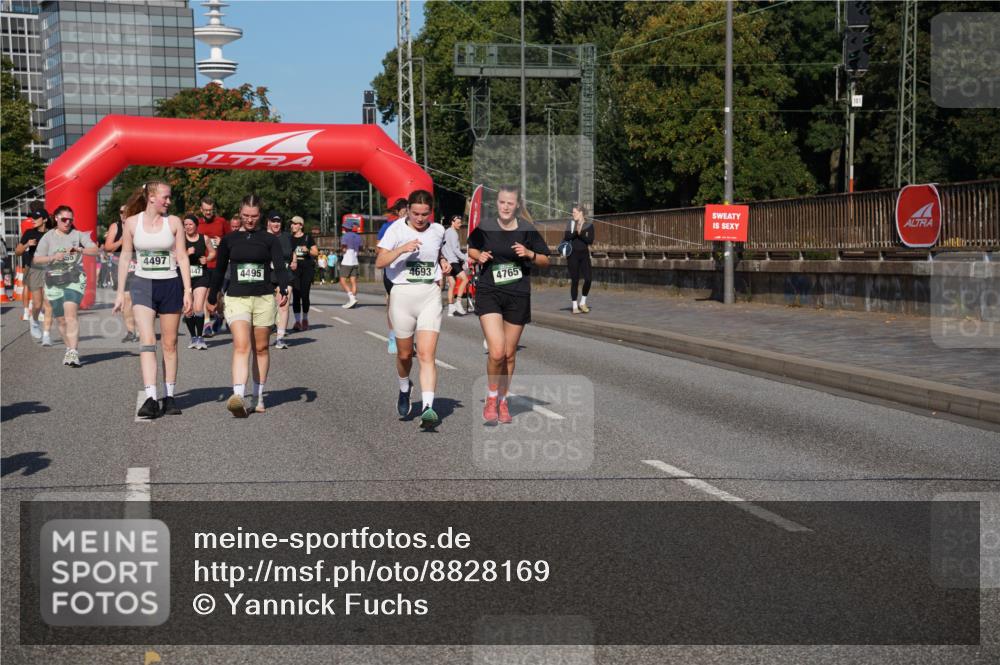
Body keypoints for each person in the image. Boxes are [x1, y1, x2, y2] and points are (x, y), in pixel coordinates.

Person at [468, 184, 550, 424]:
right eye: (502, 202)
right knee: (496, 351)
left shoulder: (527, 230)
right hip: (489, 291)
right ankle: (492, 397)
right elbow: (471, 248)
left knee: (509, 354)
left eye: (510, 203)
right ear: (497, 204)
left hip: (517, 294)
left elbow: (546, 260)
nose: (505, 207)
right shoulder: (486, 226)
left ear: (517, 206)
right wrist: (478, 256)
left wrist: (530, 254)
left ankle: (503, 400)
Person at [114, 181, 193, 419]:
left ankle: (169, 396)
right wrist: (119, 292)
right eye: (165, 197)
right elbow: (125, 257)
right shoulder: (131, 223)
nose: (169, 202)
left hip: (170, 284)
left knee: (169, 343)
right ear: (151, 197)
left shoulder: (174, 222)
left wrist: (188, 290)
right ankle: (150, 398)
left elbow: (181, 256)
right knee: (147, 341)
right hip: (142, 284)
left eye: (170, 198)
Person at [375, 189, 453, 430]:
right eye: (416, 213)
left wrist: (443, 262)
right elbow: (379, 261)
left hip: (429, 294)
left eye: (425, 214)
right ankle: (404, 387)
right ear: (407, 209)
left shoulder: (438, 230)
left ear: (431, 212)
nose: (420, 219)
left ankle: (428, 408)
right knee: (405, 355)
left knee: (428, 355)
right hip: (402, 295)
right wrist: (402, 249)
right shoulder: (395, 230)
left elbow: (436, 252)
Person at [208, 194, 290, 417]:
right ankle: (238, 396)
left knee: (261, 348)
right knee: (241, 345)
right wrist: (213, 295)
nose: (250, 220)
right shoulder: (230, 240)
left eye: (254, 216)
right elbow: (219, 269)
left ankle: (258, 394)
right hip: (237, 298)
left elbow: (280, 267)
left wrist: (284, 288)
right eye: (245, 216)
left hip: (263, 298)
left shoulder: (269, 240)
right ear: (240, 213)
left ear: (259, 216)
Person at [32, 205, 101, 367]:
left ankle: (73, 352)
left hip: (74, 279)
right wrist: (52, 257)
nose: (68, 222)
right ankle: (69, 349)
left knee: (70, 313)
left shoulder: (78, 235)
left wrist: (80, 249)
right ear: (56, 218)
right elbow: (36, 259)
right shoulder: (48, 237)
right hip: (53, 281)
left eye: (71, 219)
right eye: (64, 219)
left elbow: (95, 250)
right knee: (61, 320)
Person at [15, 208, 53, 343]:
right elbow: (17, 252)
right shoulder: (29, 233)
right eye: (32, 218)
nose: (33, 220)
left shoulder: (52, 233)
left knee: (49, 303)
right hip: (35, 269)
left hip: (49, 269)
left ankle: (47, 335)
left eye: (36, 218)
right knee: (37, 304)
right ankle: (34, 320)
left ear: (44, 220)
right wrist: (27, 244)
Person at [104, 204, 139, 343]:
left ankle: (140, 328)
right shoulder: (115, 227)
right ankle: (131, 331)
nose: (123, 214)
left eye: (126, 211)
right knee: (126, 298)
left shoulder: (138, 225)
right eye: (120, 211)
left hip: (137, 264)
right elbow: (108, 247)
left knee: (137, 298)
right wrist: (121, 241)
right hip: (120, 265)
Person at [196, 197, 229, 338]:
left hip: (219, 265)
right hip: (204, 265)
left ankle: (220, 315)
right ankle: (207, 325)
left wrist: (222, 241)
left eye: (210, 210)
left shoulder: (221, 222)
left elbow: (231, 239)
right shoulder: (197, 223)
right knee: (205, 293)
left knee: (218, 296)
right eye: (206, 210)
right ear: (201, 210)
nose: (208, 213)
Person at [379, 198, 408, 353]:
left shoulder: (418, 227)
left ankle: (407, 338)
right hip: (392, 272)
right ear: (398, 211)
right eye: (402, 208)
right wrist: (397, 252)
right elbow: (380, 252)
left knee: (410, 307)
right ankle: (392, 338)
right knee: (392, 305)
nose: (405, 211)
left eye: (407, 208)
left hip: (411, 273)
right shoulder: (388, 227)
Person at [182, 214, 215, 350]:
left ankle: (200, 337)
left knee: (198, 307)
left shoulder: (204, 238)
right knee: (188, 310)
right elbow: (173, 257)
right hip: (184, 278)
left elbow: (213, 252)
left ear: (196, 225)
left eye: (190, 224)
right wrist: (186, 253)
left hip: (201, 276)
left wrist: (207, 259)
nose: (188, 227)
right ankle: (193, 337)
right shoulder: (180, 239)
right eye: (185, 225)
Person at [266, 212, 293, 349]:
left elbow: (292, 251)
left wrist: (294, 261)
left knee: (284, 305)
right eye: (273, 221)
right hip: (268, 275)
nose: (276, 224)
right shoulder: (264, 237)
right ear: (268, 223)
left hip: (285, 274)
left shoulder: (287, 237)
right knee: (269, 307)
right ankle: (265, 332)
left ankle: (280, 338)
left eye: (278, 221)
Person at [288, 215, 319, 330]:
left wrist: (308, 250)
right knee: (296, 294)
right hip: (294, 269)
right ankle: (297, 322)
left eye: (295, 223)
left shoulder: (307, 238)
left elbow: (316, 253)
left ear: (301, 225)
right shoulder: (289, 238)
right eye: (292, 223)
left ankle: (305, 319)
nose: (293, 226)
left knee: (304, 295)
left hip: (307, 269)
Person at [564, 203, 595, 314]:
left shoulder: (589, 225)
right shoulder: (571, 223)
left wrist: (580, 233)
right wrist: (574, 232)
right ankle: (574, 305)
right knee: (575, 280)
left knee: (588, 279)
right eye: (573, 212)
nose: (573, 214)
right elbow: (566, 237)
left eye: (575, 212)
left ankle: (583, 302)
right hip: (572, 255)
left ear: (581, 213)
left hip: (584, 255)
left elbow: (590, 240)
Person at [442, 214, 470, 317]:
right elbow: (455, 250)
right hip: (453, 261)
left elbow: (444, 247)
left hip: (447, 261)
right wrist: (466, 258)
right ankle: (458, 302)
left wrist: (444, 259)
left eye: (460, 222)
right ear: (452, 222)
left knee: (452, 284)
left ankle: (450, 309)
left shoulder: (446, 232)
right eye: (458, 222)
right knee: (465, 279)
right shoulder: (453, 233)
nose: (460, 224)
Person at [338, 218, 362, 309]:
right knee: (353, 281)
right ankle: (353, 299)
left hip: (347, 260)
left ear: (346, 228)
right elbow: (361, 248)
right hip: (355, 260)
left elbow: (344, 248)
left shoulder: (345, 236)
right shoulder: (358, 236)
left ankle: (351, 298)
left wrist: (341, 249)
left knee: (342, 280)